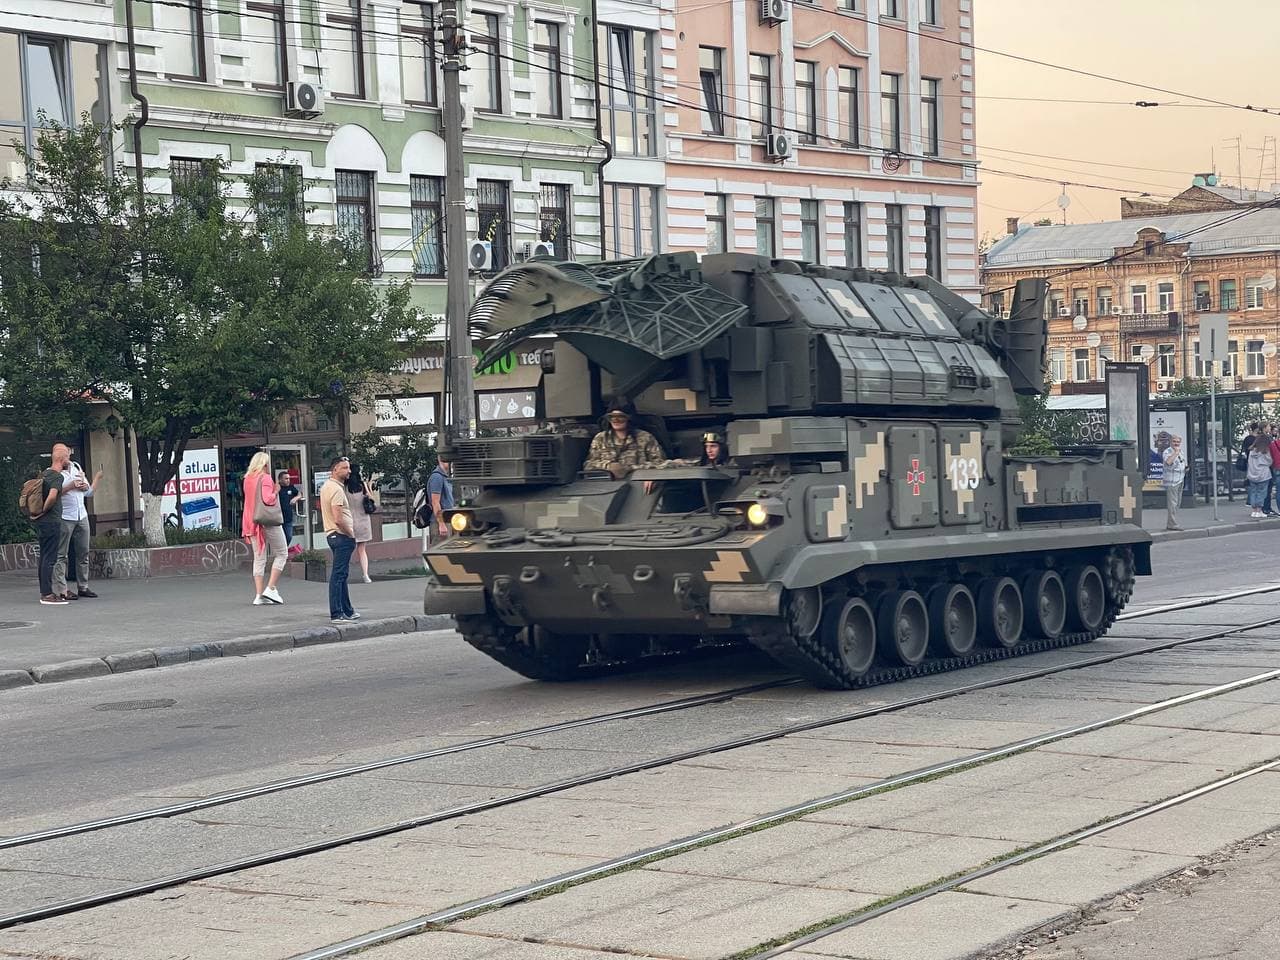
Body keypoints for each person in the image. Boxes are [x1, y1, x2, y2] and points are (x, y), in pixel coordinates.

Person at [53, 446, 102, 601]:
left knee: (83, 552)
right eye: (65, 455)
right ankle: (63, 589)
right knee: (62, 554)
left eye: (68, 454)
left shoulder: (76, 467)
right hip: (65, 516)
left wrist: (86, 485)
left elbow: (88, 492)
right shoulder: (53, 473)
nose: (68, 458)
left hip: (81, 515)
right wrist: (71, 486)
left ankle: (83, 586)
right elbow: (53, 495)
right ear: (58, 456)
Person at [241, 452, 287, 605]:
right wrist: (276, 490)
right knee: (282, 553)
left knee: (259, 558)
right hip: (268, 521)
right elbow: (268, 499)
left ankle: (258, 595)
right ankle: (271, 588)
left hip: (252, 522)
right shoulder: (265, 478)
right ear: (265, 464)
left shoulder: (247, 479)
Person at [320, 456, 359, 624]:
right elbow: (338, 518)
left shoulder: (327, 486)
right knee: (338, 575)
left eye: (348, 467)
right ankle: (337, 613)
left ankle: (347, 610)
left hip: (333, 535)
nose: (349, 471)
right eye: (344, 468)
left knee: (341, 574)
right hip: (341, 535)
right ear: (335, 469)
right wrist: (350, 533)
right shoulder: (336, 489)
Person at [584, 401, 665, 479]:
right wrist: (608, 466)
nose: (616, 420)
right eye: (612, 417)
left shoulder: (645, 437)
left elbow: (661, 464)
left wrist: (651, 476)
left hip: (637, 482)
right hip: (606, 483)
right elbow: (588, 465)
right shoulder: (601, 438)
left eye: (621, 417)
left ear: (629, 418)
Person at [34, 445, 73, 605]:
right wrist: (45, 509)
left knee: (44, 556)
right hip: (51, 521)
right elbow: (52, 497)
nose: (69, 460)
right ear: (61, 459)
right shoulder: (57, 477)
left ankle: (44, 591)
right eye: (68, 457)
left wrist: (39, 513)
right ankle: (47, 594)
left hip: (42, 522)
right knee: (50, 557)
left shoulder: (44, 474)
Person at [346, 464, 375, 584]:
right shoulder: (362, 486)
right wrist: (369, 487)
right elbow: (372, 499)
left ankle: (344, 573)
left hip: (349, 521)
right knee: (362, 550)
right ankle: (365, 575)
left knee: (347, 550)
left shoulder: (344, 487)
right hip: (363, 521)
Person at [427, 453, 455, 544]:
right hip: (439, 523)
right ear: (440, 459)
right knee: (440, 550)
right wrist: (441, 523)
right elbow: (435, 502)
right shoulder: (437, 477)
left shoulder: (446, 477)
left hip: (448, 520)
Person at [1161, 434, 1187, 532]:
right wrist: (1175, 453)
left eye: (1178, 442)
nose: (1176, 443)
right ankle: (1172, 524)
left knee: (1177, 503)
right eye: (1174, 441)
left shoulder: (1181, 451)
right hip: (1171, 481)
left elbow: (1182, 463)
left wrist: (1186, 468)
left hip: (1180, 479)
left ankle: (1171, 523)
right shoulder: (1167, 452)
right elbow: (1168, 462)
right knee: (1172, 503)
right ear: (1170, 442)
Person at [1247, 428, 1273, 519]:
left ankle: (1254, 511)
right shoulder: (1265, 452)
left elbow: (1249, 462)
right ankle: (1259, 510)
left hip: (1252, 474)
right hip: (1263, 475)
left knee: (1253, 492)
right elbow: (1269, 462)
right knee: (1262, 493)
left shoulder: (1251, 451)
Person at [277, 470, 301, 555]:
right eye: (286, 479)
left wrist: (296, 498)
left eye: (289, 478)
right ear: (280, 480)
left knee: (289, 536)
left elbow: (299, 493)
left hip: (288, 518)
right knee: (280, 538)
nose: (288, 480)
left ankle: (283, 552)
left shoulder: (291, 487)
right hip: (278, 518)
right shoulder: (277, 488)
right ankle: (281, 553)